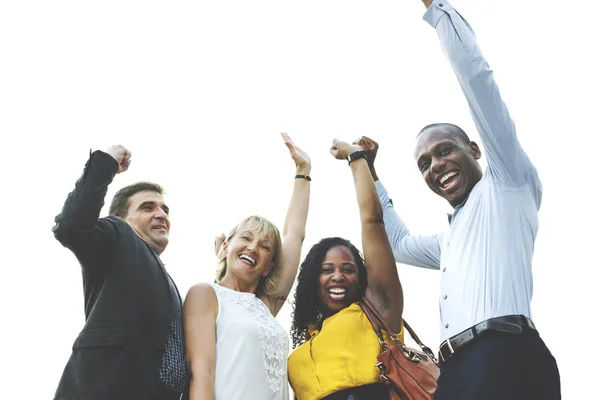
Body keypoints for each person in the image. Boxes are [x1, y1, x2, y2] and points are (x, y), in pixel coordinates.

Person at [354, 1, 561, 399]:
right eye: (425, 163)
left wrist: (438, 11)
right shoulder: (449, 241)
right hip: (454, 374)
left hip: (505, 357)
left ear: (476, 149)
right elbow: (397, 244)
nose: (436, 165)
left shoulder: (508, 183)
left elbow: (477, 81)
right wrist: (369, 170)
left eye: (445, 150)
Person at [52, 145, 189, 400]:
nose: (161, 214)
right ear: (122, 219)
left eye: (164, 210)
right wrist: (105, 164)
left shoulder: (162, 276)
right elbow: (71, 226)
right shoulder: (118, 235)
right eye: (147, 207)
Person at [183, 133, 311, 400]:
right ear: (226, 247)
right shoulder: (206, 294)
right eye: (246, 237)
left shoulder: (266, 305)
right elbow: (202, 373)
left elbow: (294, 236)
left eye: (265, 247)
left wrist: (303, 171)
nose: (253, 247)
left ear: (268, 267)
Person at [287, 139, 404, 400]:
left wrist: (356, 159)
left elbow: (372, 221)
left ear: (361, 277)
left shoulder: (377, 311)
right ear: (312, 280)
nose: (337, 276)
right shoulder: (304, 347)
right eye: (327, 269)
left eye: (348, 269)